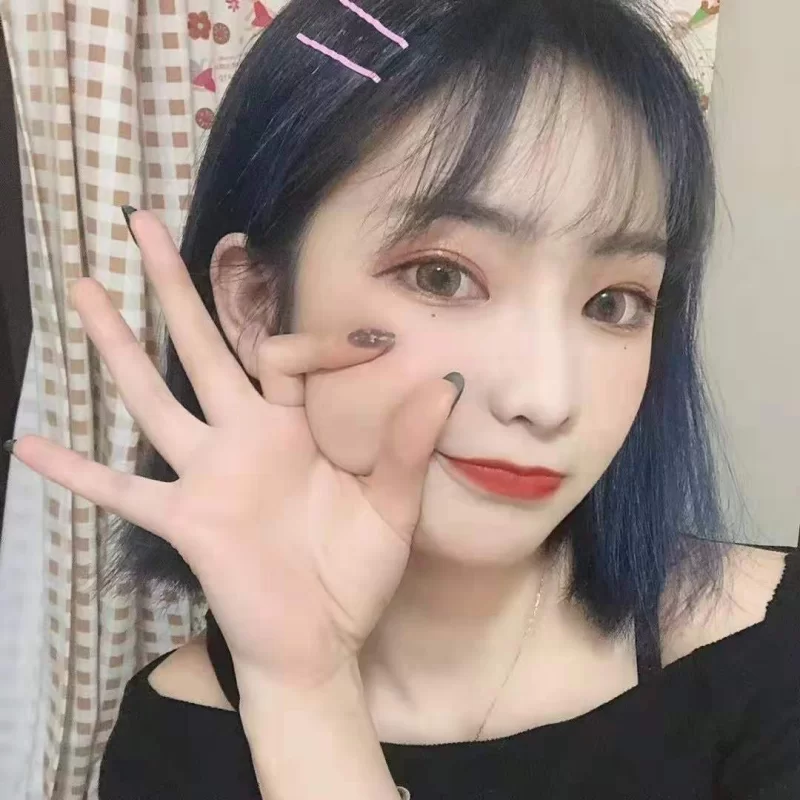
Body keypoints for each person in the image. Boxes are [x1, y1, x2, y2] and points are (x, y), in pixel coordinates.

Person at [7, 0, 799, 797]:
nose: (547, 398)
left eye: (614, 302)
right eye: (442, 277)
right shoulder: (173, 745)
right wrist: (301, 687)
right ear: (255, 302)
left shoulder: (773, 651)